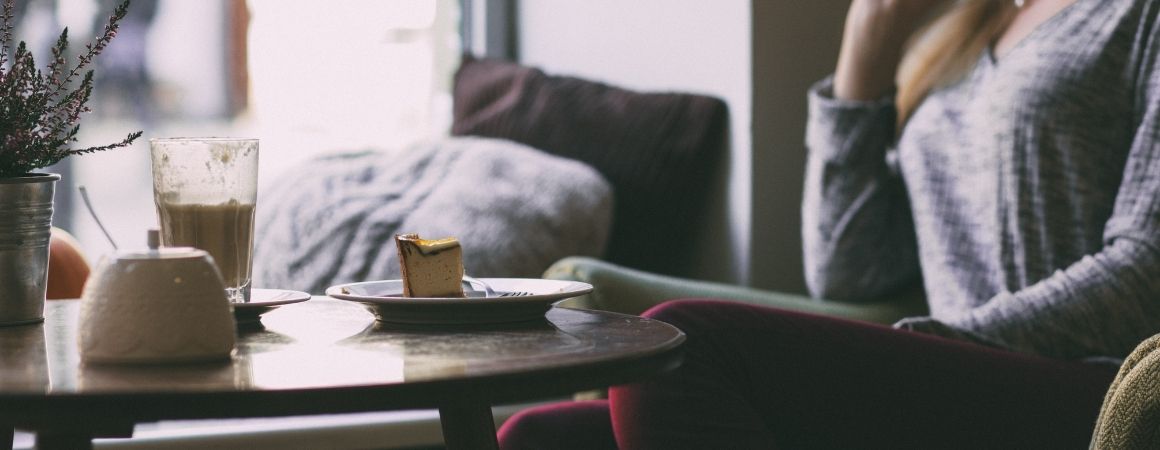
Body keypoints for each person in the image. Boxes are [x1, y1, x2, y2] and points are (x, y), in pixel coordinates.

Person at [497, 0, 1160, 448]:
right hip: (956, 370)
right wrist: (868, 43)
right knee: (541, 436)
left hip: (1096, 385)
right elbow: (850, 266)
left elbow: (1145, 271)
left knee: (685, 346)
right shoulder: (966, 24)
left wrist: (947, 343)